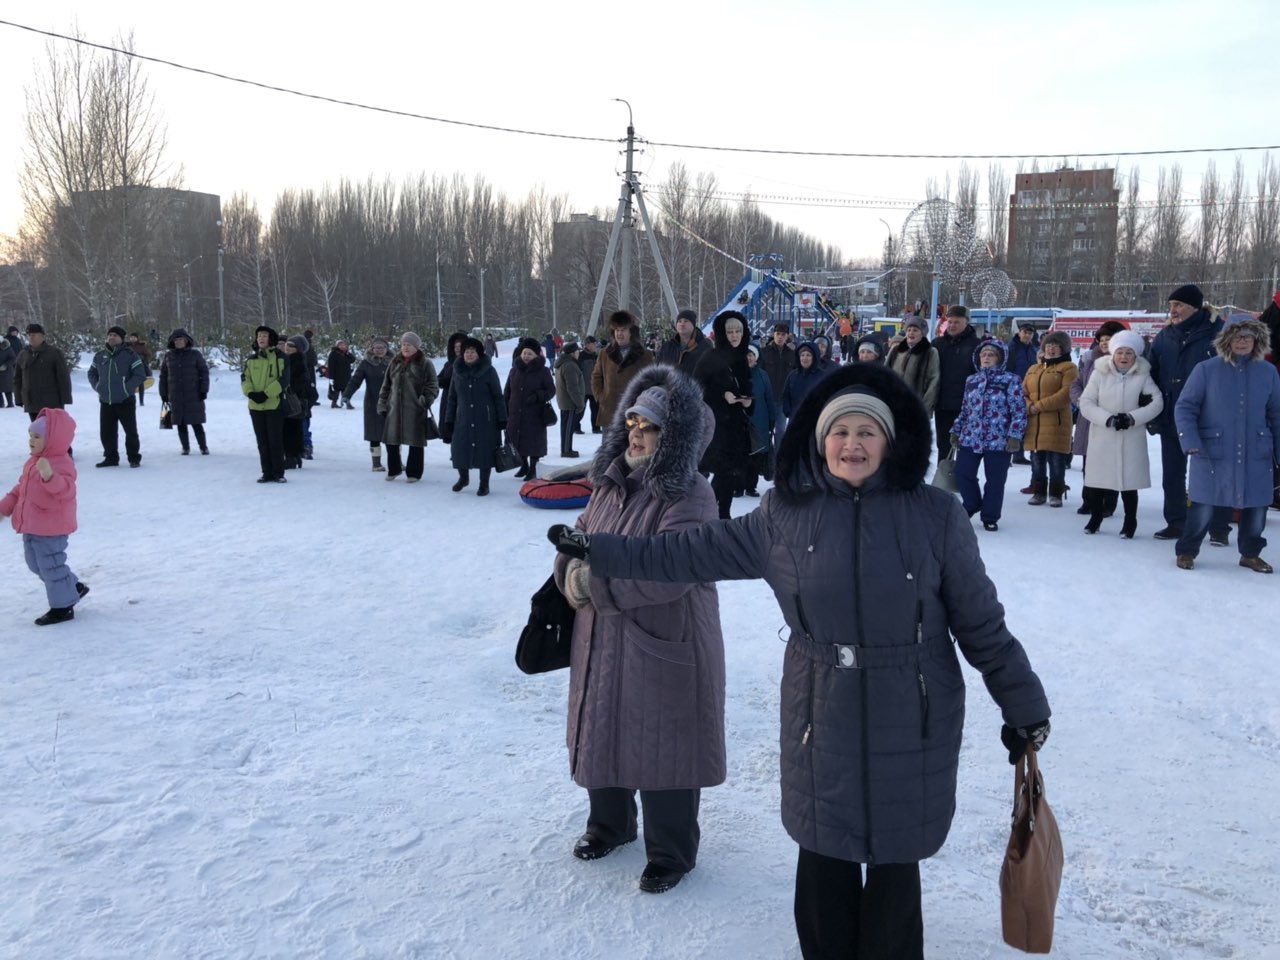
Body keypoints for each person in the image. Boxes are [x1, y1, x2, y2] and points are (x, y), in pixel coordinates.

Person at [548, 361, 1052, 957]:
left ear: (890, 441)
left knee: (895, 865)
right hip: (821, 709)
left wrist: (1024, 706)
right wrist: (603, 551)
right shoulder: (785, 514)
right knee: (823, 857)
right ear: (819, 440)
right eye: (840, 432)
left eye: (867, 431)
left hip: (911, 714)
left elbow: (982, 626)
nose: (852, 444)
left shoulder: (936, 517)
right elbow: (689, 553)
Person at [550, 365, 725, 896]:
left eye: (649, 425)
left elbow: (669, 571)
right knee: (602, 726)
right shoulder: (610, 482)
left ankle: (671, 852)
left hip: (665, 640)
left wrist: (593, 587)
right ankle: (610, 825)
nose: (637, 432)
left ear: (674, 438)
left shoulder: (690, 494)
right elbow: (577, 539)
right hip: (603, 637)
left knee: (665, 745)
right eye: (632, 421)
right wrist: (570, 579)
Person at [1173, 317, 1280, 572]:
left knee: (1256, 506)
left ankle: (1251, 554)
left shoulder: (1268, 372)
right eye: (1237, 336)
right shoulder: (1206, 369)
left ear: (1257, 340)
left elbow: (1276, 412)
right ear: (1226, 339)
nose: (1242, 341)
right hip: (1212, 451)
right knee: (1203, 505)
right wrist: (1190, 440)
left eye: (1248, 336)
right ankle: (1187, 551)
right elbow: (1185, 407)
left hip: (1256, 450)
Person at [1148, 285, 1233, 544]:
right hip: (1173, 415)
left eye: (1179, 305)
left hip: (1209, 417)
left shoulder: (1218, 333)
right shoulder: (1165, 337)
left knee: (1214, 472)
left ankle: (1219, 527)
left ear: (1195, 307)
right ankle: (1176, 522)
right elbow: (1152, 374)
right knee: (1173, 473)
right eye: (1171, 305)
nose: (1172, 310)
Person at [0, 409, 89, 625]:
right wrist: (4, 508)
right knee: (35, 564)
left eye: (37, 437)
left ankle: (62, 607)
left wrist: (49, 476)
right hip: (32, 525)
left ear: (53, 440)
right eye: (30, 435)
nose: (31, 440)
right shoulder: (33, 462)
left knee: (50, 566)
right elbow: (22, 488)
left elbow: (66, 490)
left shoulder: (61, 463)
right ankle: (72, 587)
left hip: (51, 528)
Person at [1077, 330, 1162, 538]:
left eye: (1129, 353)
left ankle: (1130, 521)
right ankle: (1095, 517)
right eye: (1120, 352)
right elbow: (1086, 402)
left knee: (1128, 483)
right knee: (1098, 480)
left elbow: (1157, 401)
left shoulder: (1142, 375)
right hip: (1103, 434)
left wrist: (1133, 417)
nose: (1124, 357)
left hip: (1130, 435)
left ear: (1136, 356)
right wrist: (1107, 418)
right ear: (1113, 354)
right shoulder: (1100, 373)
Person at [950, 340, 1027, 532]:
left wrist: (1014, 436)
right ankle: (972, 503)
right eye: (983, 354)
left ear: (1000, 359)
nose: (986, 357)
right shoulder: (972, 380)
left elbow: (1019, 411)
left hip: (999, 439)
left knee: (995, 480)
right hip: (971, 436)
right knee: (963, 473)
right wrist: (956, 429)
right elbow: (965, 409)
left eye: (991, 354)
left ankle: (990, 516)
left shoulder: (1011, 380)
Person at [692, 310, 754, 519]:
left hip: (736, 426)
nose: (735, 336)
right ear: (722, 334)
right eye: (730, 332)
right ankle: (705, 512)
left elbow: (747, 387)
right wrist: (721, 395)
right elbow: (696, 389)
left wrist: (746, 401)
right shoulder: (711, 357)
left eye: (738, 331)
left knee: (730, 475)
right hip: (716, 426)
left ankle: (723, 514)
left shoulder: (742, 358)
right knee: (721, 472)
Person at [1070, 321, 1127, 516]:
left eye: (1108, 339)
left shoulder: (1124, 361)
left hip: (1112, 418)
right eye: (1101, 339)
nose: (1104, 343)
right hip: (1089, 417)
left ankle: (1108, 503)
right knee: (1090, 462)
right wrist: (1081, 401)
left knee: (1111, 463)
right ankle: (1089, 500)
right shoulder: (1088, 359)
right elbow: (1076, 384)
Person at [441, 336, 504, 496]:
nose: (469, 354)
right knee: (460, 449)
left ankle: (484, 484)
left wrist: (503, 418)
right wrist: (448, 419)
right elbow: (452, 398)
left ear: (479, 354)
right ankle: (464, 478)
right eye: (466, 351)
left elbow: (498, 396)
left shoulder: (489, 371)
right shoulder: (457, 371)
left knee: (485, 451)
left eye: (472, 351)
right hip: (462, 418)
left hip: (486, 419)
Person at [1023, 330, 1078, 507]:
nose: (1051, 349)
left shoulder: (1069, 368)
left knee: (1056, 461)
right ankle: (1039, 492)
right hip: (1034, 423)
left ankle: (1056, 493)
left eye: (1056, 346)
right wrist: (1028, 405)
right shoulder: (1033, 369)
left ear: (1063, 349)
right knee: (1036, 459)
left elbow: (1065, 394)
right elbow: (1022, 392)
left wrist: (1038, 406)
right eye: (1048, 346)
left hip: (1057, 422)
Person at [377, 332, 439, 483]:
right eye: (403, 344)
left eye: (409, 344)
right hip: (394, 408)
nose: (405, 347)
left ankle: (414, 473)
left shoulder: (425, 363)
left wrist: (425, 400)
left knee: (415, 443)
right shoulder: (395, 362)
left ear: (416, 347)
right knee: (391, 441)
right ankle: (394, 468)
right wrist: (382, 403)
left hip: (415, 409)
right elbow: (386, 385)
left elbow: (433, 385)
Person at [86, 325, 146, 468]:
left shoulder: (130, 354)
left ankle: (134, 458)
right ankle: (111, 457)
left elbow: (140, 374)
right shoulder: (100, 355)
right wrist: (97, 386)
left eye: (115, 335)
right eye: (110, 335)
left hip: (125, 400)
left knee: (130, 431)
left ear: (121, 339)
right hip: (106, 400)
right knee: (107, 432)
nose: (112, 337)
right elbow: (91, 373)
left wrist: (126, 389)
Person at [590, 311, 653, 433]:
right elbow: (596, 377)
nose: (619, 333)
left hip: (635, 413)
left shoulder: (645, 355)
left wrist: (643, 402)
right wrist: (602, 397)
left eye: (623, 330)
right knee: (609, 450)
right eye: (617, 330)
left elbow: (652, 382)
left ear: (631, 332)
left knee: (633, 450)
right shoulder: (605, 353)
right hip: (610, 412)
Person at [933, 304, 981, 460]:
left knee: (965, 446)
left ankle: (962, 480)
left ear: (966, 322)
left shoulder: (976, 345)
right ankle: (943, 479)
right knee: (943, 445)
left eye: (957, 322)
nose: (952, 325)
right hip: (943, 404)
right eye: (950, 322)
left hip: (966, 405)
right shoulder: (938, 344)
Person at [242, 326, 288, 483]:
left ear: (271, 339)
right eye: (259, 336)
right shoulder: (251, 359)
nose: (261, 338)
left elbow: (284, 380)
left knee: (275, 440)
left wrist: (266, 394)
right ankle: (266, 472)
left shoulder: (281, 357)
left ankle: (278, 472)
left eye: (264, 335)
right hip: (255, 406)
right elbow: (245, 379)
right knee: (262, 441)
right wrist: (251, 393)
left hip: (274, 405)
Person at [505, 337, 556, 480]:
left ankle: (533, 467)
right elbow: (507, 390)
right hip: (516, 412)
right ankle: (524, 465)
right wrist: (505, 407)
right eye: (524, 353)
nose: (526, 356)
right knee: (518, 440)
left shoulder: (543, 371)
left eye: (530, 354)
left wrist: (539, 395)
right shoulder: (514, 370)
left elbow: (551, 390)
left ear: (536, 355)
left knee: (534, 442)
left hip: (535, 414)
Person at [158, 328, 210, 456]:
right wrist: (163, 393)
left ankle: (203, 447)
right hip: (175, 396)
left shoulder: (195, 354)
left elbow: (204, 372)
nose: (178, 342)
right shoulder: (168, 356)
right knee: (180, 422)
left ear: (186, 340)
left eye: (181, 339)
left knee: (196, 422)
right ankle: (185, 447)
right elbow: (163, 376)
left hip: (193, 394)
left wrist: (203, 390)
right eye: (176, 340)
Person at [344, 336, 392, 472]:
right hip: (373, 403)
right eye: (376, 347)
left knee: (393, 432)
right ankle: (376, 463)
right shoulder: (366, 363)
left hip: (392, 403)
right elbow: (355, 380)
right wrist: (347, 395)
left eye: (382, 347)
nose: (379, 350)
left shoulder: (395, 362)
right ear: (372, 349)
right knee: (375, 433)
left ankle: (396, 461)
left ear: (387, 349)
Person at [14, 323, 72, 422]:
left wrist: (65, 398)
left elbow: (63, 377)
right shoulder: (23, 354)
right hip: (31, 401)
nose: (31, 338)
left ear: (42, 336)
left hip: (51, 402)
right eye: (29, 335)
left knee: (51, 432)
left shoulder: (54, 353)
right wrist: (18, 398)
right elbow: (17, 378)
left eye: (34, 335)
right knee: (37, 433)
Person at [744, 343, 779, 496]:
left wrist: (772, 419)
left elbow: (769, 398)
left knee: (756, 455)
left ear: (756, 358)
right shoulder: (734, 373)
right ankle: (738, 486)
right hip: (740, 420)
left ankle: (751, 486)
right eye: (746, 355)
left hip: (760, 420)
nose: (748, 358)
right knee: (741, 454)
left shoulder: (763, 375)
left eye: (751, 355)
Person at [887, 316, 940, 414]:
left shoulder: (930, 352)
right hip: (893, 404)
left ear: (922, 334)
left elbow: (934, 381)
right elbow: (885, 374)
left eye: (915, 330)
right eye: (909, 330)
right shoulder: (896, 350)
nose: (911, 332)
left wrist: (925, 407)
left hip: (916, 406)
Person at [280, 337, 312, 470]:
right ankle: (294, 456)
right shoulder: (288, 360)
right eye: (287, 345)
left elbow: (298, 383)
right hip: (293, 401)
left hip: (293, 401)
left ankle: (292, 457)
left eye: (291, 346)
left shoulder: (296, 362)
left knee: (291, 429)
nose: (287, 348)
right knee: (292, 428)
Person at [655, 308, 712, 376]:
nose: (682, 324)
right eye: (679, 321)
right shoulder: (667, 347)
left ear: (693, 325)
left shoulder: (705, 347)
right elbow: (657, 369)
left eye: (686, 321)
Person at [555, 342, 586, 458]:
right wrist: (579, 403)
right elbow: (572, 387)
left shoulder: (565, 363)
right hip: (569, 402)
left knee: (566, 427)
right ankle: (566, 450)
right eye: (577, 352)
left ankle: (566, 448)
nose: (579, 354)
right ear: (572, 353)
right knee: (568, 428)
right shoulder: (570, 365)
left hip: (565, 401)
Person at [781, 342, 825, 424]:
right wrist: (788, 411)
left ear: (814, 357)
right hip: (795, 419)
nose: (805, 358)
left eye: (808, 355)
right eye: (802, 355)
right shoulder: (793, 375)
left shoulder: (822, 376)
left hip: (815, 421)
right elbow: (786, 395)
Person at [435, 331, 467, 410]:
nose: (457, 349)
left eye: (460, 346)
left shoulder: (468, 364)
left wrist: (445, 382)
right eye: (455, 347)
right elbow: (438, 378)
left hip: (461, 402)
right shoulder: (448, 364)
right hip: (447, 399)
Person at [326, 339, 355, 409]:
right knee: (336, 389)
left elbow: (353, 360)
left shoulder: (346, 354)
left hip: (346, 375)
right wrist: (331, 376)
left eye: (344, 345)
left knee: (346, 389)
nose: (342, 346)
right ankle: (334, 402)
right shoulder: (333, 353)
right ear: (337, 346)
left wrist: (348, 353)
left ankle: (347, 402)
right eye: (341, 345)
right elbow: (331, 365)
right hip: (337, 375)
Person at [579, 337, 600, 433]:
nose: (595, 346)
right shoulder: (581, 356)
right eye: (593, 344)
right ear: (587, 345)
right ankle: (576, 427)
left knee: (596, 410)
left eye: (595, 344)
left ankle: (596, 428)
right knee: (580, 409)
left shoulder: (596, 355)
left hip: (594, 388)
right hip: (583, 388)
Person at [127, 333, 154, 407]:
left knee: (140, 383)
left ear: (137, 338)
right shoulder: (127, 346)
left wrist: (144, 360)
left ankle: (141, 401)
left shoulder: (142, 346)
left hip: (140, 366)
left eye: (134, 337)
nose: (133, 339)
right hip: (129, 366)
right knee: (129, 383)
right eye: (131, 337)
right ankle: (130, 400)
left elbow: (148, 355)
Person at [0, 331, 16, 408]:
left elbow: (13, 358)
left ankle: (10, 403)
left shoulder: (7, 348)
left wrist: (5, 365)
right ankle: (0, 404)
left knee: (7, 388)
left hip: (6, 371)